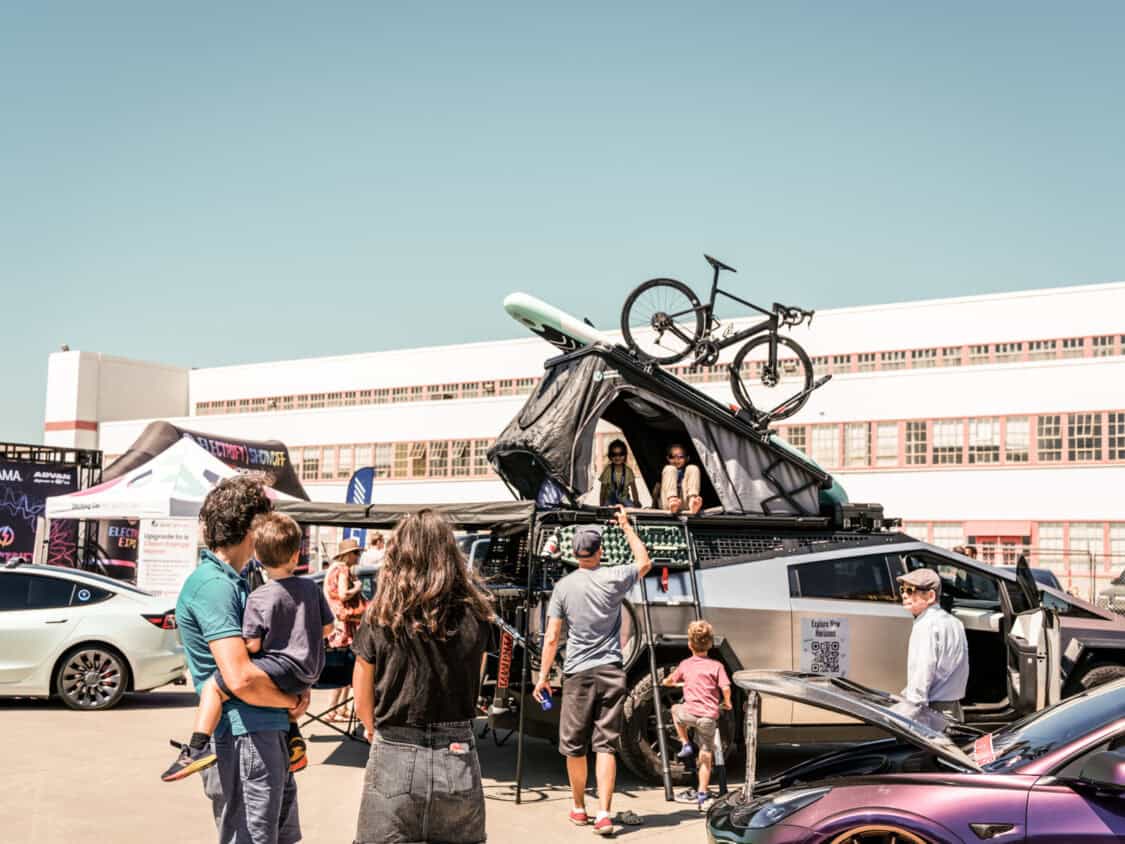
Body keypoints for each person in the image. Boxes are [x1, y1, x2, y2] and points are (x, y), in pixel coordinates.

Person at [171, 475, 309, 844]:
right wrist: (291, 701)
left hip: (262, 730)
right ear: (252, 527)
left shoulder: (239, 580)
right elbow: (240, 678)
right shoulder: (214, 586)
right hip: (243, 735)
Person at [351, 509, 493, 844]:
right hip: (457, 751)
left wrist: (376, 729)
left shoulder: (381, 615)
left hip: (394, 749)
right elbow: (476, 678)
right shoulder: (477, 613)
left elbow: (362, 699)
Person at [162, 512, 335, 783]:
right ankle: (294, 740)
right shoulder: (312, 589)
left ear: (259, 557)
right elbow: (327, 629)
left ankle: (197, 746)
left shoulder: (258, 596)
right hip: (310, 670)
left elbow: (253, 645)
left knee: (214, 686)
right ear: (295, 556)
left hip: (280, 668)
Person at [533, 506, 654, 836]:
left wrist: (543, 678)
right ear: (599, 551)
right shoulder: (614, 577)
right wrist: (627, 527)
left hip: (577, 675)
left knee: (574, 745)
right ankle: (603, 813)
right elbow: (645, 562)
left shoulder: (563, 587)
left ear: (575, 553)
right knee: (605, 745)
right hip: (611, 671)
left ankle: (578, 808)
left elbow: (553, 637)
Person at [661, 620, 732, 812]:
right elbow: (725, 687)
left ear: (689, 645)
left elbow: (670, 681)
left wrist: (668, 682)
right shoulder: (716, 666)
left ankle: (685, 742)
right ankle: (702, 792)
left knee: (676, 710)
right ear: (710, 644)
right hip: (708, 717)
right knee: (706, 755)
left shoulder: (685, 664)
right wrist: (727, 702)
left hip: (689, 714)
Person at [897, 568, 970, 721]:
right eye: (902, 589)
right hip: (953, 707)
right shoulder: (955, 623)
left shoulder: (924, 625)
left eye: (911, 590)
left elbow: (923, 669)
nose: (904, 594)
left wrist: (908, 713)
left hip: (931, 710)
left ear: (930, 596)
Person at [323, 538, 366, 721]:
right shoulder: (343, 570)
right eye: (356, 553)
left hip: (335, 623)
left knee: (341, 668)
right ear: (348, 555)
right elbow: (342, 594)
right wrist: (357, 587)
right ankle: (333, 710)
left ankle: (339, 710)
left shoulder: (331, 570)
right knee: (344, 669)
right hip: (344, 624)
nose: (359, 556)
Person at [657, 444, 702, 515]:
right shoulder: (667, 471)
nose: (676, 460)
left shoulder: (687, 472)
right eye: (672, 457)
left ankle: (692, 501)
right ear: (668, 458)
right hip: (668, 503)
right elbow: (656, 489)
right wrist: (653, 504)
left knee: (693, 468)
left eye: (680, 457)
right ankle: (672, 501)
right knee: (670, 469)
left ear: (687, 458)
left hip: (684, 503)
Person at [598, 439, 640, 507]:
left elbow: (634, 489)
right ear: (610, 456)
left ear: (625, 455)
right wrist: (601, 505)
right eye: (614, 454)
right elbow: (603, 490)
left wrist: (636, 502)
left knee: (631, 508)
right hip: (610, 499)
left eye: (621, 454)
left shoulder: (628, 471)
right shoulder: (607, 470)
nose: (617, 457)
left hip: (624, 499)